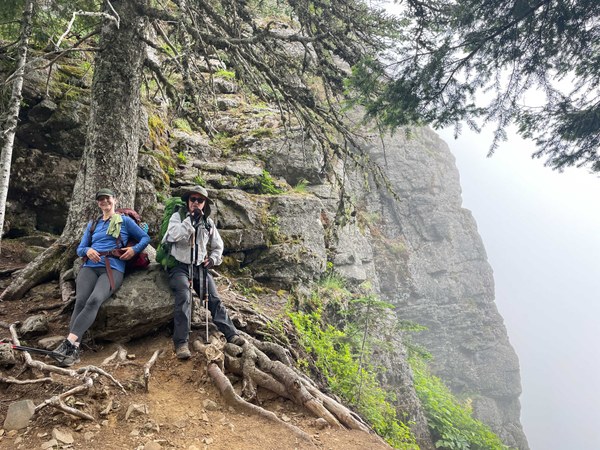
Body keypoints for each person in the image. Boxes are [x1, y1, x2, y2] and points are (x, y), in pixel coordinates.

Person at [53, 188, 151, 366]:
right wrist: (88, 250)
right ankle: (74, 349)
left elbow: (145, 238)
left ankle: (68, 344)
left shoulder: (125, 221)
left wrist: (133, 250)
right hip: (89, 267)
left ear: (115, 200)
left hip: (113, 268)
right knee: (80, 302)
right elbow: (80, 249)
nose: (104, 201)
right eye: (101, 199)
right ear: (98, 203)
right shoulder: (93, 224)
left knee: (94, 300)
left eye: (107, 198)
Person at [162, 185, 243, 359]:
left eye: (200, 200)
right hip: (179, 266)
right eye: (193, 199)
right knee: (184, 296)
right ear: (188, 201)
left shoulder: (208, 222)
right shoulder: (178, 217)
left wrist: (213, 259)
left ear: (204, 203)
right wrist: (190, 221)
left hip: (200, 267)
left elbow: (218, 246)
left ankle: (231, 334)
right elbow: (173, 235)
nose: (196, 203)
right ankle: (181, 343)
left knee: (213, 298)